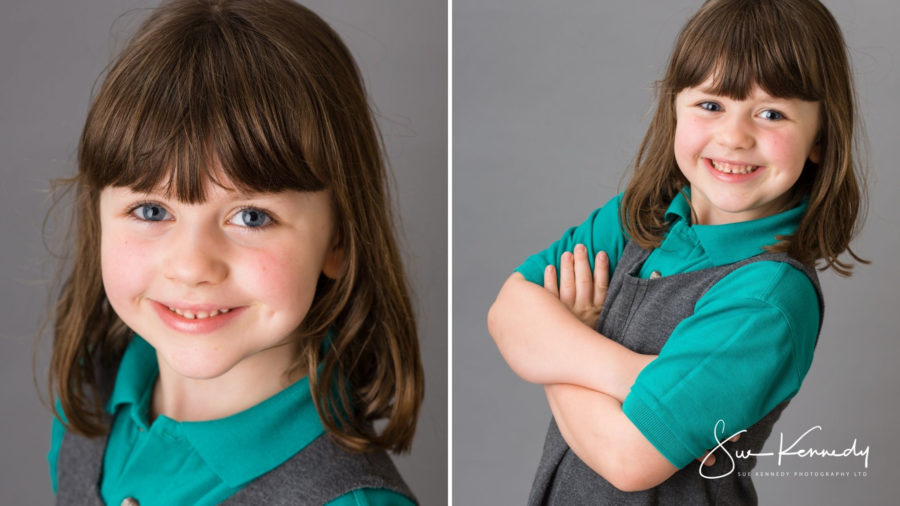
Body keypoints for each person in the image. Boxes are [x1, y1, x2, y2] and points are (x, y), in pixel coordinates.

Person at [488, 0, 867, 504]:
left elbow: (628, 458)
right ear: (675, 107)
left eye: (771, 113)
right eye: (711, 105)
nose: (734, 137)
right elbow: (509, 311)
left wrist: (560, 349)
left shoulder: (769, 297)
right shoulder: (637, 217)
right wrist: (634, 377)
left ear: (820, 137)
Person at [45, 0, 423, 504]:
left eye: (251, 217)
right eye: (152, 212)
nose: (191, 266)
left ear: (339, 240)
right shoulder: (90, 405)